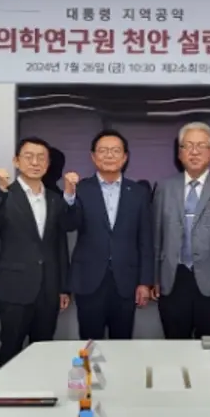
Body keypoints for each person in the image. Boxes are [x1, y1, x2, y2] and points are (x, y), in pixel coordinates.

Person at [0, 137, 74, 368]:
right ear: (16, 161)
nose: (35, 162)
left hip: (48, 289)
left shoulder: (55, 199)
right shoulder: (5, 194)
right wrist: (0, 190)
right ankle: (6, 391)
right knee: (10, 350)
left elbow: (61, 242)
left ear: (48, 164)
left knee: (43, 352)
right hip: (14, 289)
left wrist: (63, 287)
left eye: (41, 158)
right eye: (29, 157)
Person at [152, 122, 210, 339]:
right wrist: (154, 276)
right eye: (188, 146)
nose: (194, 152)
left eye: (201, 146)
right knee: (174, 343)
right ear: (180, 153)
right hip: (174, 277)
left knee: (209, 346)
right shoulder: (164, 187)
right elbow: (156, 233)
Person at [63, 130, 153, 340]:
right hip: (89, 279)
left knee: (122, 343)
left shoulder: (138, 192)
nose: (109, 155)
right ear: (93, 156)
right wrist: (68, 195)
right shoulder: (81, 189)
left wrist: (145, 282)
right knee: (89, 342)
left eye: (115, 150)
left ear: (125, 156)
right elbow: (69, 224)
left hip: (126, 280)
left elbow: (145, 240)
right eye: (103, 151)